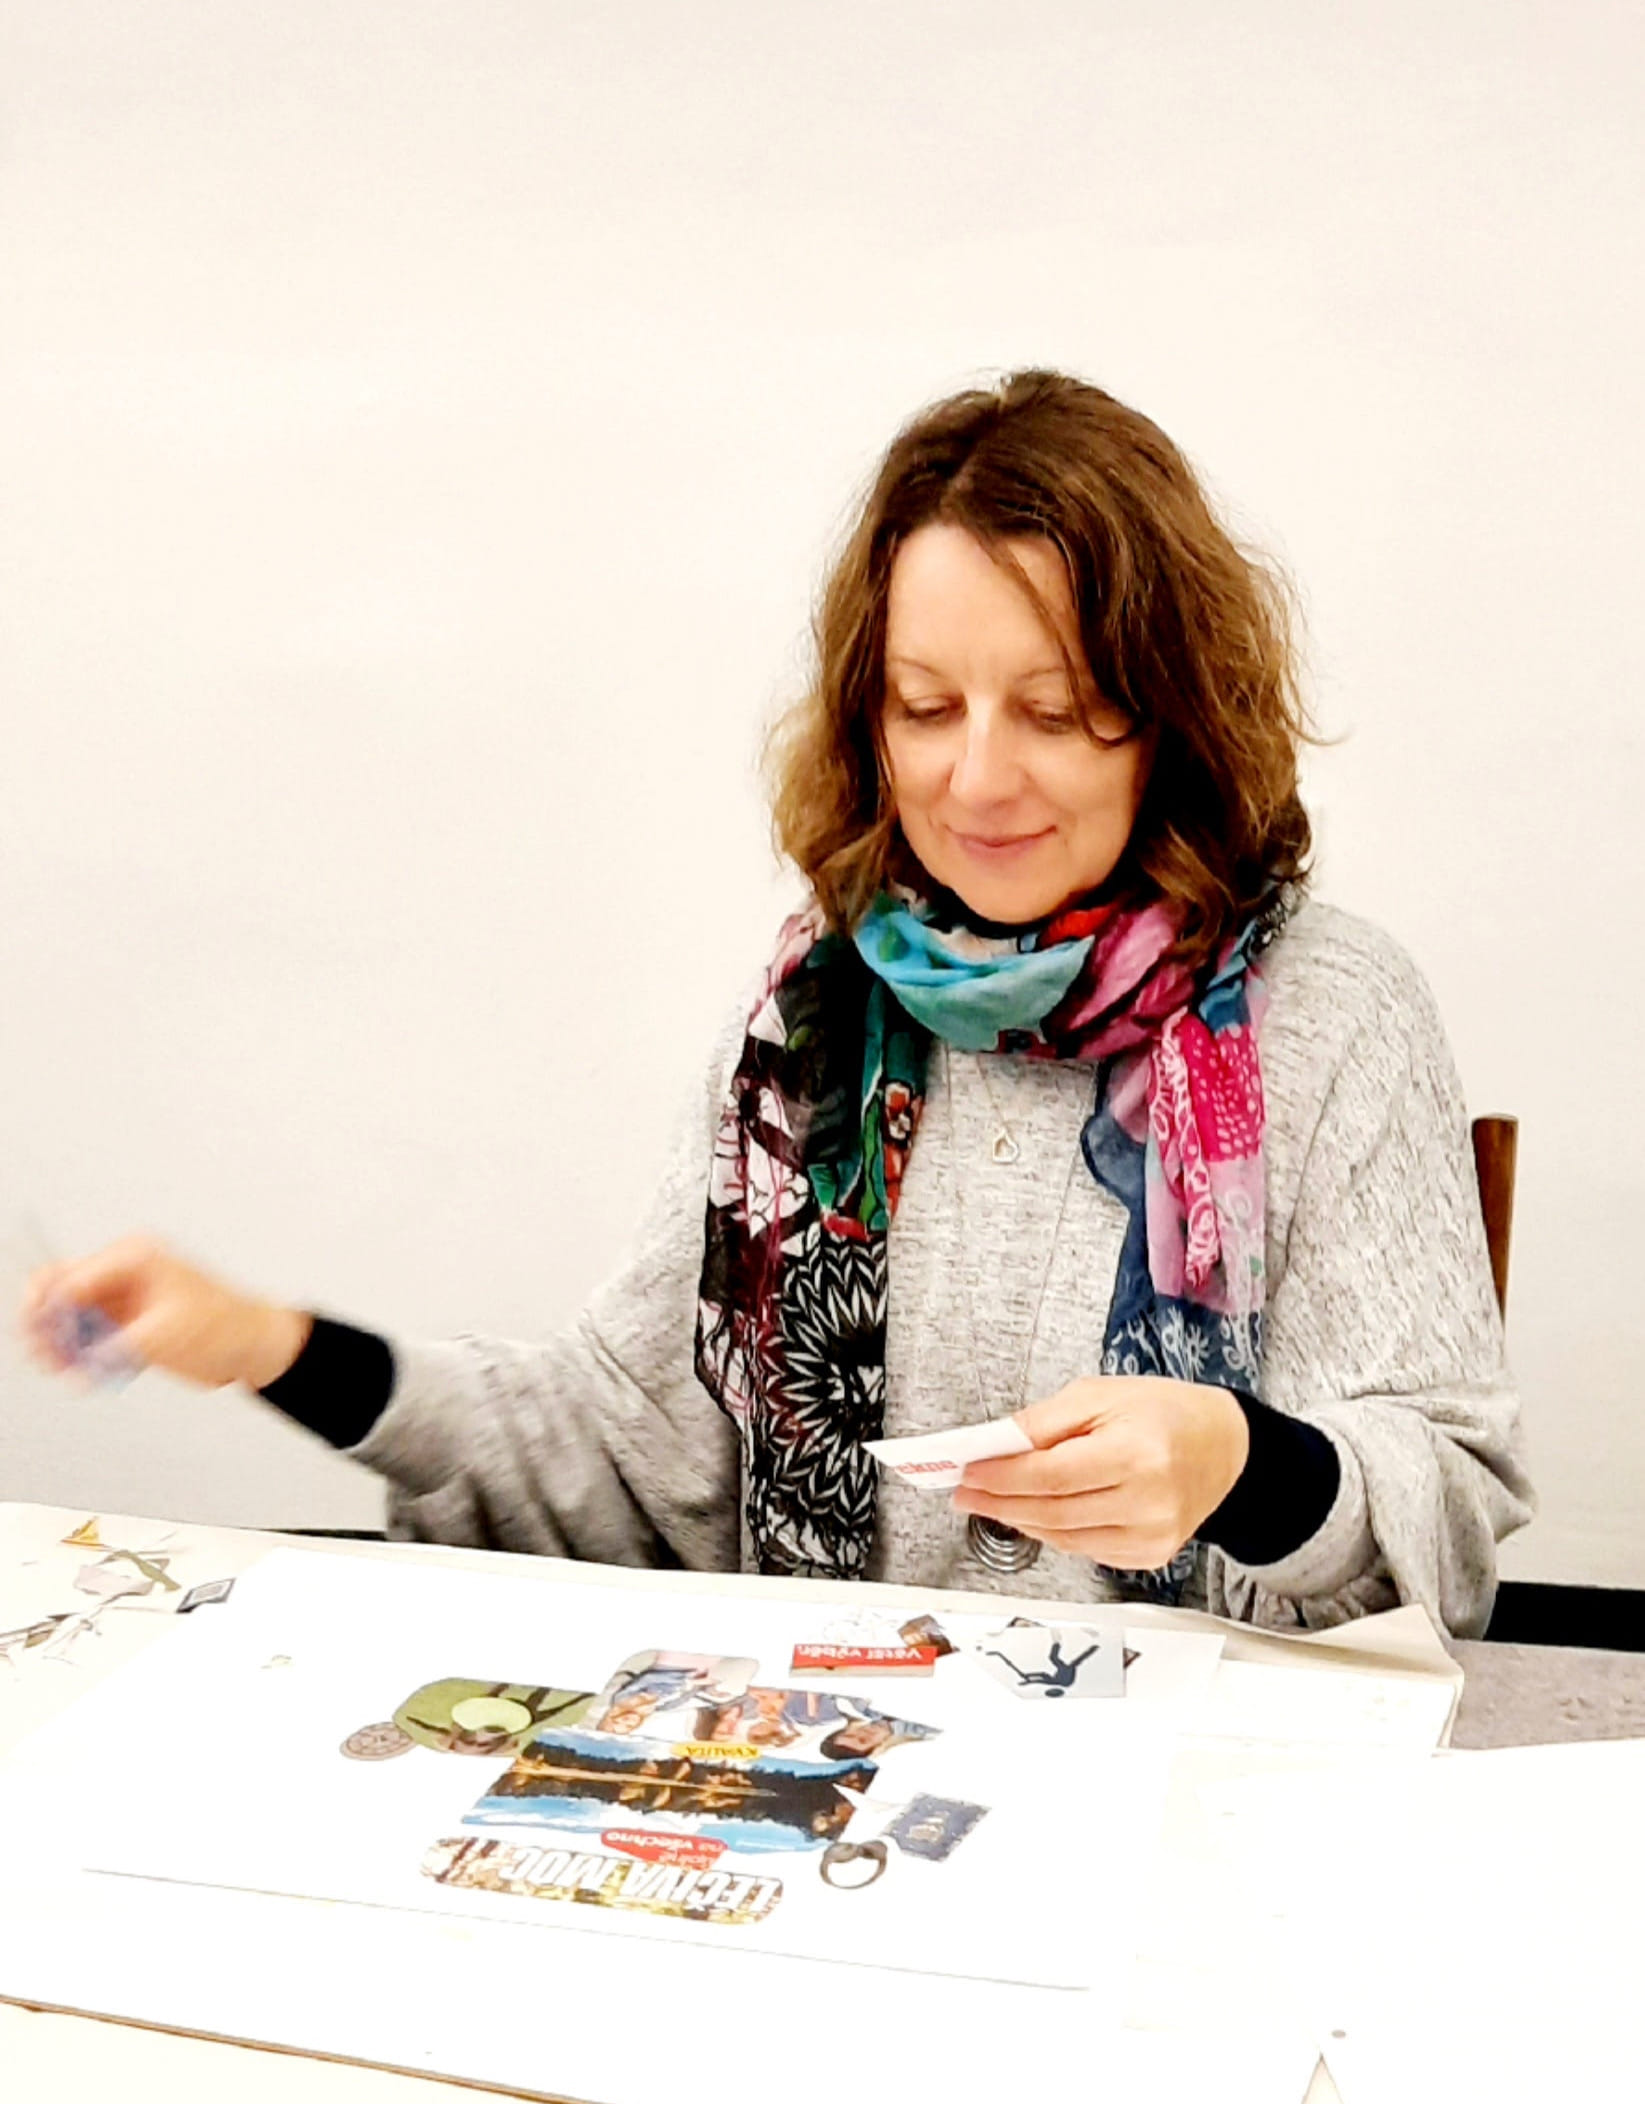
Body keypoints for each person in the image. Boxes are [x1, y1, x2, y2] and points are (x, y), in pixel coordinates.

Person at [20, 370, 1533, 1637]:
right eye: (925, 707)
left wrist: (1241, 1463)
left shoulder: (1331, 1012)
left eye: (1057, 708)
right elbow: (626, 1460)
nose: (976, 776)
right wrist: (270, 1345)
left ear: (1171, 714)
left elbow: (1445, 1519)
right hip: (856, 1778)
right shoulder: (817, 1015)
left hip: (1195, 1810)